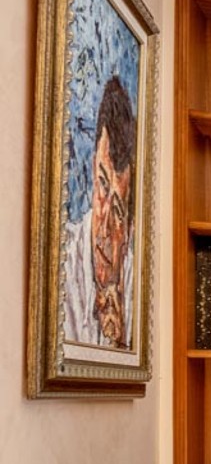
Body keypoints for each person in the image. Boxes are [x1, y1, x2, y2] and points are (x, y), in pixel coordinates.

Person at [60, 75, 138, 350]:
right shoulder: (63, 259)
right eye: (103, 184)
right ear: (93, 168)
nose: (104, 223)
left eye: (118, 209)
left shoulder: (136, 278)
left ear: (131, 226)